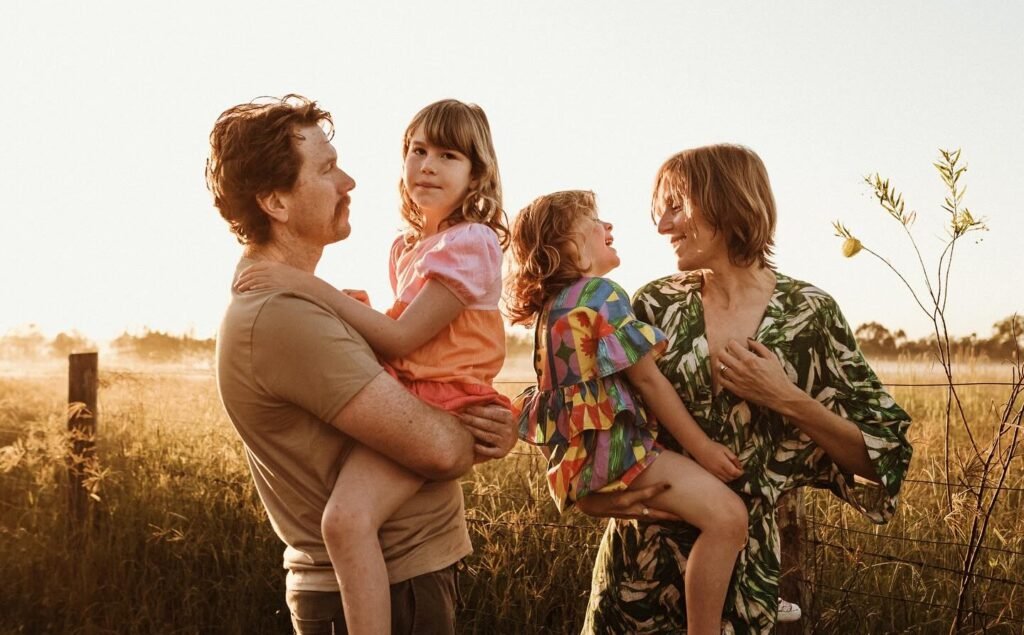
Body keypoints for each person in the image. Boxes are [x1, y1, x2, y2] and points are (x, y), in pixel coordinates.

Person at [205, 94, 517, 634]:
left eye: (446, 155)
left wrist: (495, 422)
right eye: (326, 169)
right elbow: (441, 446)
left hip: (405, 575)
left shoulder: (450, 247)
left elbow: (422, 363)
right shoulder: (282, 312)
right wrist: (478, 430)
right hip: (388, 590)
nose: (348, 181)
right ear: (276, 203)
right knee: (346, 521)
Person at [578, 144, 913, 634]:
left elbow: (881, 458)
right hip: (636, 568)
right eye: (660, 210)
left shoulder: (809, 315)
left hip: (741, 566)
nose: (662, 226)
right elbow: (588, 417)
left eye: (676, 206)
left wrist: (785, 397)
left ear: (727, 202)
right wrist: (591, 499)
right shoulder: (653, 305)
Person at [506, 190, 749, 635]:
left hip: (583, 465)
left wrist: (576, 483)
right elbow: (647, 380)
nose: (609, 227)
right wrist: (702, 446)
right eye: (596, 221)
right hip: (620, 456)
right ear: (572, 248)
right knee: (729, 517)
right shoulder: (601, 295)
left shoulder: (550, 314)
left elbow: (549, 411)